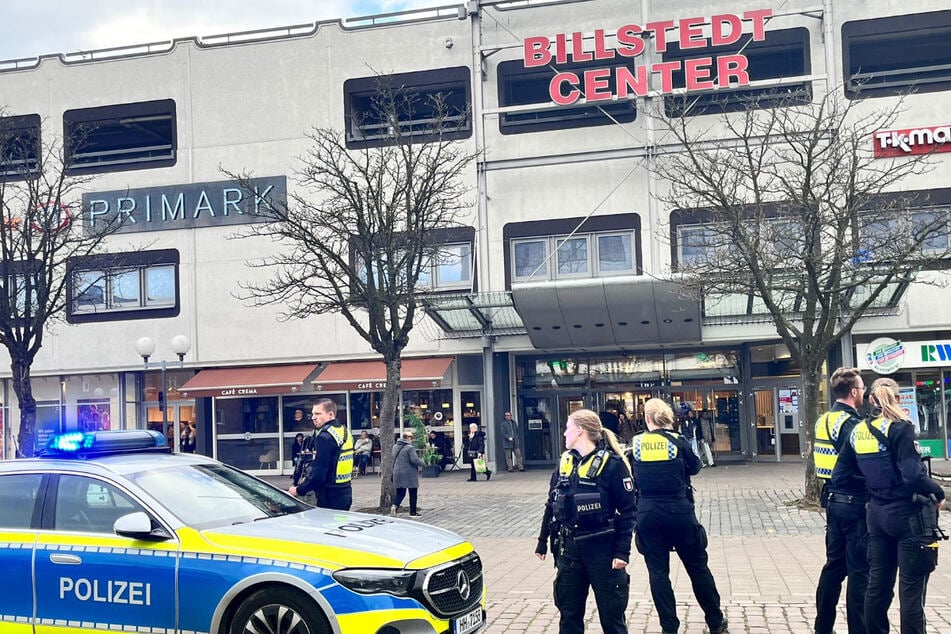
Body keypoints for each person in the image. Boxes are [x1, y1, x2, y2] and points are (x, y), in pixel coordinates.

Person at [837, 377, 946, 634]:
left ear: (871, 399)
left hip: (876, 515)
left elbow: (840, 476)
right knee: (911, 590)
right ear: (898, 398)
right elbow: (913, 476)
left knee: (878, 585)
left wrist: (875, 484)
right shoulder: (901, 428)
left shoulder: (858, 431)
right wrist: (939, 492)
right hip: (909, 516)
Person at [628, 398, 728, 634]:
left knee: (658, 572)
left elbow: (631, 473)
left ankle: (669, 627)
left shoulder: (636, 443)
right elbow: (695, 467)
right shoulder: (678, 441)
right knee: (697, 568)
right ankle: (715, 621)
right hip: (679, 511)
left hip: (648, 513)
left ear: (647, 419)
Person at [534, 408, 635, 634]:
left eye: (568, 428)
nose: (564, 434)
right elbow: (551, 504)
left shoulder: (612, 464)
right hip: (569, 550)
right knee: (569, 616)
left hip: (603, 550)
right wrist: (542, 540)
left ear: (580, 431)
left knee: (612, 618)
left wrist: (622, 552)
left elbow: (629, 510)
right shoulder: (565, 463)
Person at [814, 367, 869, 634]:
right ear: (854, 391)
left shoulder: (824, 419)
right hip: (855, 502)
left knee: (834, 567)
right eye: (862, 389)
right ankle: (858, 628)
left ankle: (822, 626)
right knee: (859, 570)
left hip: (832, 499)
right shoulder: (852, 425)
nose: (864, 393)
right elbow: (861, 464)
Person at [288, 399, 354, 510]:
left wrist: (299, 490)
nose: (313, 417)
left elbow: (318, 475)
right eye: (313, 413)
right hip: (345, 491)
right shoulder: (344, 431)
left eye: (318, 414)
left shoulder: (324, 437)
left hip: (329, 496)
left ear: (331, 415)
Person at [391, 430, 424, 518]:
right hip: (409, 473)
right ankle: (413, 512)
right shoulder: (410, 448)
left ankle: (394, 506)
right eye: (411, 438)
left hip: (397, 472)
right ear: (408, 438)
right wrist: (424, 463)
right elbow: (414, 460)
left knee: (400, 493)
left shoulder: (395, 446)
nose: (412, 440)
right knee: (413, 492)